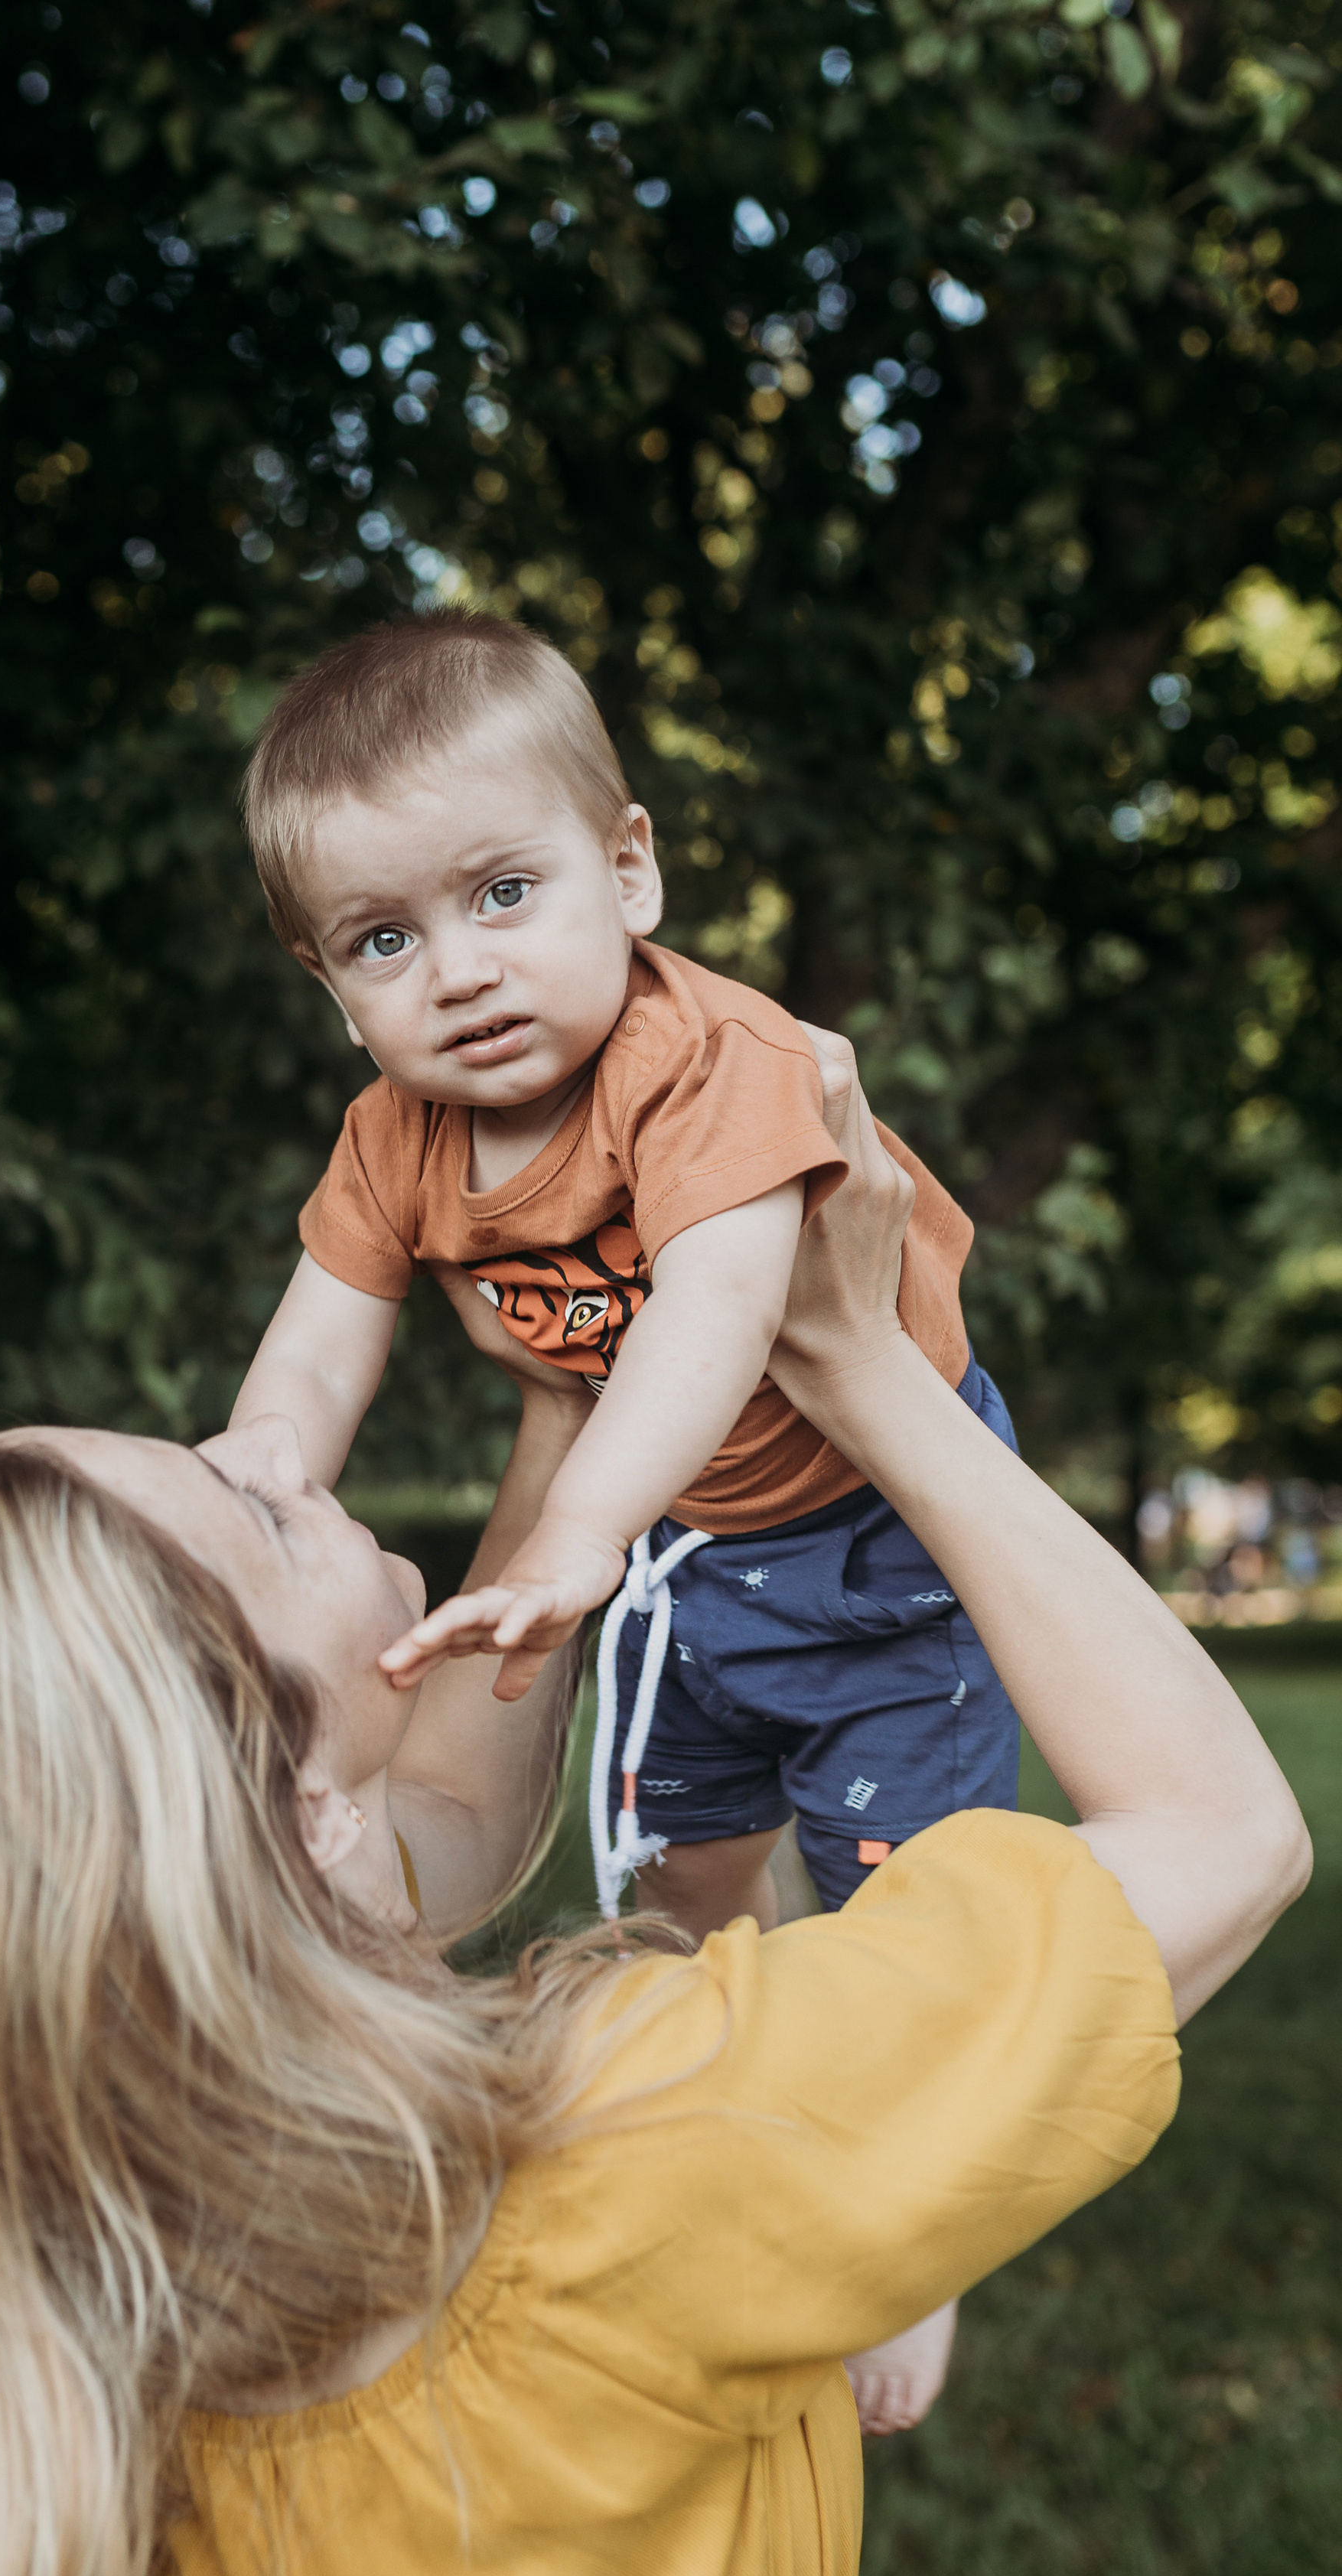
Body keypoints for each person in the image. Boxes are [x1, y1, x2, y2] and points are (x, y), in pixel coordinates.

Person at [0, 1050, 1308, 2576]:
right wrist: (874, 1372)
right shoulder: (630, 2151)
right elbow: (1214, 1830)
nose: (268, 1450)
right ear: (304, 1809)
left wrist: (593, 1383)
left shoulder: (70, 2260)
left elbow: (446, 1805)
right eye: (241, 1505)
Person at [231, 611, 1016, 2426]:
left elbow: (720, 1313)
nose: (459, 971)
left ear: (628, 867)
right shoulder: (393, 1140)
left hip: (870, 1520)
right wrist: (251, 1480)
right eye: (384, 938)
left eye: (503, 892)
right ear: (327, 980)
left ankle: (917, 2229)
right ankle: (715, 2096)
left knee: (909, 1883)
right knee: (680, 1866)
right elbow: (313, 1354)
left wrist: (576, 1531)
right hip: (683, 1551)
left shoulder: (706, 1065)